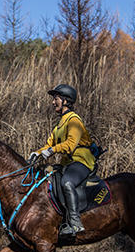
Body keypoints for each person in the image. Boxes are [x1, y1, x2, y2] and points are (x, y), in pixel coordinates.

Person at [28, 84, 96, 237]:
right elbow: (49, 144)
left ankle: (75, 223)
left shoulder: (74, 120)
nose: (53, 102)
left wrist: (52, 150)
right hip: (68, 164)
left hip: (82, 162)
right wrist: (36, 153)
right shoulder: (60, 124)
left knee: (67, 182)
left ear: (66, 101)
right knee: (45, 175)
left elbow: (71, 144)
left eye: (56, 99)